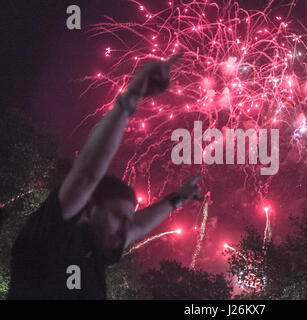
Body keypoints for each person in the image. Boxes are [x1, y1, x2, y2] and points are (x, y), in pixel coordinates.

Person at [8, 53, 203, 299]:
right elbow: (89, 172)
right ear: (89, 209)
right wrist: (132, 95)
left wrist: (178, 199)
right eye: (118, 216)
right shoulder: (49, 236)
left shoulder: (95, 250)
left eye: (126, 219)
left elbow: (137, 227)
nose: (125, 228)